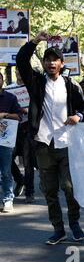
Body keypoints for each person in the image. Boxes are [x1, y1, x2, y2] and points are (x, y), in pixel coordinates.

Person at [16, 31, 84, 245]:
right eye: (47, 59)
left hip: (66, 144)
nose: (51, 63)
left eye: (54, 60)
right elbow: (21, 60)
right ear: (44, 62)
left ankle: (75, 224)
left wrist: (77, 116)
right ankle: (58, 229)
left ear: (61, 63)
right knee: (49, 191)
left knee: (69, 188)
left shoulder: (70, 85)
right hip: (43, 145)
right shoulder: (37, 83)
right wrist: (35, 41)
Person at [5, 68, 37, 203]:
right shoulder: (9, 89)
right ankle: (19, 179)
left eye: (22, 72)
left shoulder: (33, 88)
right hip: (12, 129)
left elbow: (38, 106)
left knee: (28, 162)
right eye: (18, 72)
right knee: (7, 159)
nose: (20, 74)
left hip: (27, 129)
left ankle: (30, 192)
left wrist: (28, 111)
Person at [0, 72, 21, 213]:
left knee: (6, 171)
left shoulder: (10, 97)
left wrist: (5, 115)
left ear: (2, 80)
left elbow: (19, 115)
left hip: (5, 140)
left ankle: (8, 199)